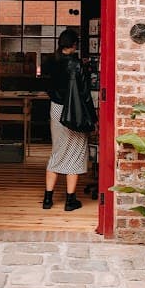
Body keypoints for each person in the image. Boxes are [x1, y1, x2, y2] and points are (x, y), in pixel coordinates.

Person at [43, 28, 97, 212]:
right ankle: (70, 200)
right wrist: (93, 118)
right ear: (74, 44)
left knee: (57, 150)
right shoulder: (76, 64)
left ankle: (48, 199)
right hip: (74, 112)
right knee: (75, 152)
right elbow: (84, 94)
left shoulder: (51, 61)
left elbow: (47, 86)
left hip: (56, 108)